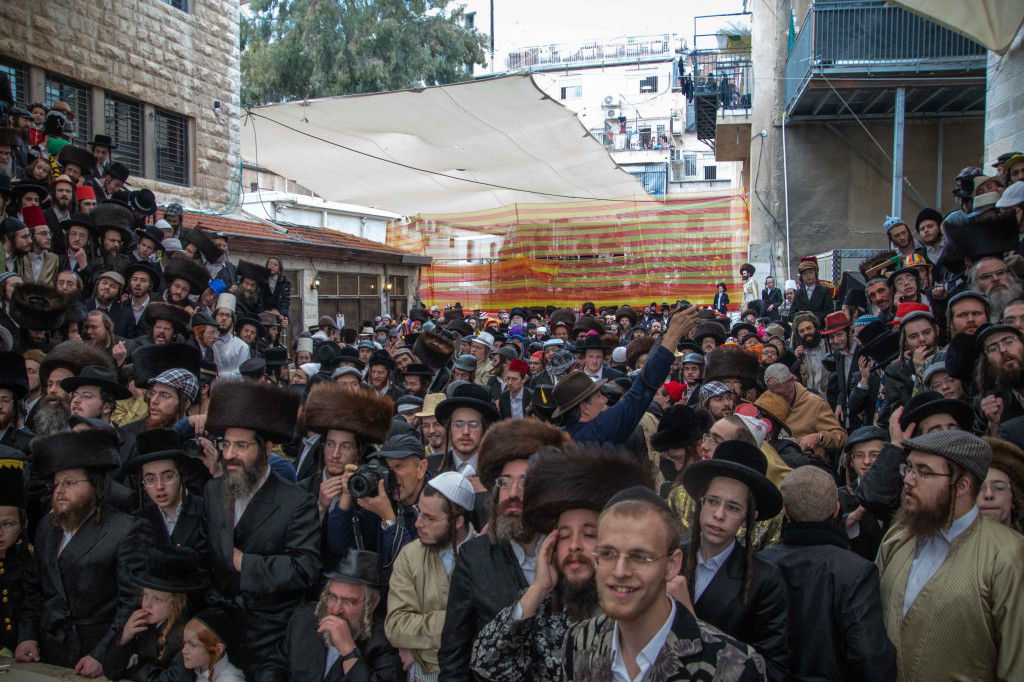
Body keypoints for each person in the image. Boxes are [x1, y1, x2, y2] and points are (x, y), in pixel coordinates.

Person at [471, 442, 652, 682]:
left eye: (589, 534)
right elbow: (487, 664)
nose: (574, 545)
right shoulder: (546, 610)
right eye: (564, 535)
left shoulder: (637, 608)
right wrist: (538, 589)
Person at [559, 485, 765, 681]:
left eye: (639, 556)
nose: (620, 571)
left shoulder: (733, 666)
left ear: (672, 565)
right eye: (608, 554)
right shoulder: (579, 642)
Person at [877, 430, 1024, 681]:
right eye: (909, 468)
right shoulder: (898, 537)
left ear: (962, 485)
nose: (909, 480)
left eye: (923, 472)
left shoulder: (1007, 555)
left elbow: (1016, 665)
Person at [201, 379, 321, 676]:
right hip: (218, 630)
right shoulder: (213, 491)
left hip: (270, 637)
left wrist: (248, 564)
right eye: (226, 444)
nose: (229, 454)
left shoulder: (296, 501)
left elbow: (306, 568)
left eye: (241, 445)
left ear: (267, 448)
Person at [437, 417, 566, 681]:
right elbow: (454, 653)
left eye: (525, 481)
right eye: (505, 483)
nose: (513, 493)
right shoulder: (474, 557)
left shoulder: (572, 556)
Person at [16, 430, 147, 677]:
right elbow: (33, 592)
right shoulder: (47, 526)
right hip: (49, 649)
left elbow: (130, 602)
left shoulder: (125, 528)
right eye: (56, 483)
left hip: (94, 652)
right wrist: (27, 636)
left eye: (70, 482)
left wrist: (102, 654)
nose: (60, 490)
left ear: (95, 486)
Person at [760, 466, 896, 681]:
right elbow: (870, 656)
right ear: (836, 509)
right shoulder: (857, 571)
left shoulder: (761, 564)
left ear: (785, 511)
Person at [680, 440, 789, 680]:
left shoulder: (765, 580)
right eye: (712, 501)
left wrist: (692, 630)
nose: (718, 515)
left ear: (748, 518)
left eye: (732, 507)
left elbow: (773, 669)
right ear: (701, 502)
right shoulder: (671, 560)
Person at [554, 304, 698, 445]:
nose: (605, 399)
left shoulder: (562, 440)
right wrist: (673, 334)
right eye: (598, 396)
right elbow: (639, 393)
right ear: (584, 408)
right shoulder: (597, 433)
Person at [386, 471, 476, 681]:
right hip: (424, 673)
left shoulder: (487, 555)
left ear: (457, 521)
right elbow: (396, 627)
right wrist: (463, 620)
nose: (418, 523)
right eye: (419, 513)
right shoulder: (410, 555)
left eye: (429, 517)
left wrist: (418, 642)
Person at [261, 549, 402, 681]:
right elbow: (272, 667)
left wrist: (348, 650)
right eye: (332, 597)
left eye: (348, 602)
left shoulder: (384, 643)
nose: (335, 610)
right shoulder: (305, 617)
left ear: (372, 603)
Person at [105, 546, 206, 680]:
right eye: (145, 595)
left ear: (177, 602)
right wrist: (125, 637)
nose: (147, 604)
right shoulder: (142, 621)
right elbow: (110, 671)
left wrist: (131, 671)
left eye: (157, 599)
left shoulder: (187, 633)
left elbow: (173, 680)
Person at [124, 428, 208, 553]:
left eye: (167, 476)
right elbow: (132, 568)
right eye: (150, 479)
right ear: (143, 483)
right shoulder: (137, 522)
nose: (159, 486)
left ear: (182, 475)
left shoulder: (206, 511)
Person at [763, 363, 846, 460]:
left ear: (792, 380)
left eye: (784, 393)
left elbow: (841, 437)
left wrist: (819, 437)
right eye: (776, 394)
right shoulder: (767, 400)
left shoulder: (815, 404)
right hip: (777, 461)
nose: (781, 399)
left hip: (807, 463)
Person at [0, 453, 32, 656]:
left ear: (24, 525)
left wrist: (28, 637)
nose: (0, 533)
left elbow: (32, 604)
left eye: (8, 524)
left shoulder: (27, 561)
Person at [181, 608, 246, 682]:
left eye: (193, 645)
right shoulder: (197, 669)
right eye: (184, 643)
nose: (184, 651)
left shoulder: (230, 680)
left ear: (218, 649)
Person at [792, 256, 834, 323]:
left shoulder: (824, 290)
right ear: (801, 276)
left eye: (810, 272)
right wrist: (802, 314)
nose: (808, 276)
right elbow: (791, 314)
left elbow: (829, 312)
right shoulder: (798, 293)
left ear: (815, 274)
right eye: (805, 273)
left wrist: (812, 315)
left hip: (820, 328)